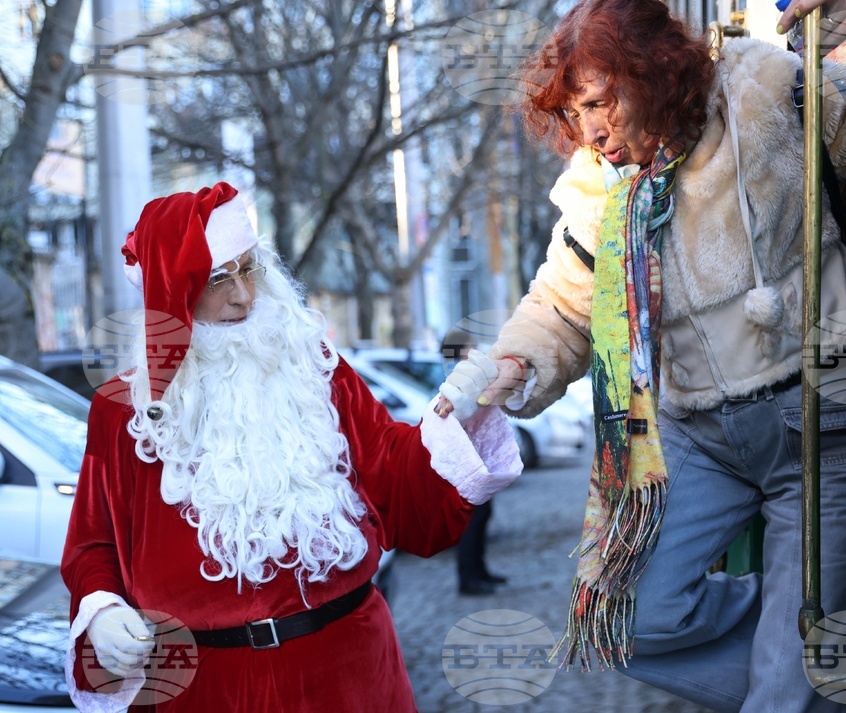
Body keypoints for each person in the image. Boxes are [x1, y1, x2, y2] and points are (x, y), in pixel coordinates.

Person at [437, 0, 846, 711]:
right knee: (621, 616)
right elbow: (561, 303)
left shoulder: (758, 87)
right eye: (576, 114)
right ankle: (813, 653)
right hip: (700, 436)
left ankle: (801, 660)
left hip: (815, 421)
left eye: (600, 102)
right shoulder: (599, 181)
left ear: (654, 70)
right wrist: (504, 369)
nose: (591, 129)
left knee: (783, 699)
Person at [61, 182, 522, 712]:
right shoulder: (124, 412)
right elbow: (91, 544)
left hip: (349, 672)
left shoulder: (318, 369)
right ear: (174, 295)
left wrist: (455, 414)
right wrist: (101, 610)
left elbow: (393, 476)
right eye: (217, 280)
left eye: (249, 268)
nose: (244, 296)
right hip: (205, 689)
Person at [440, 329, 509, 596]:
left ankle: (480, 571)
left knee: (482, 515)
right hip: (465, 458)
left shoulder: (460, 373)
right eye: (470, 345)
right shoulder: (454, 377)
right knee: (472, 517)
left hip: (476, 454)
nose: (475, 348)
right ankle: (469, 578)